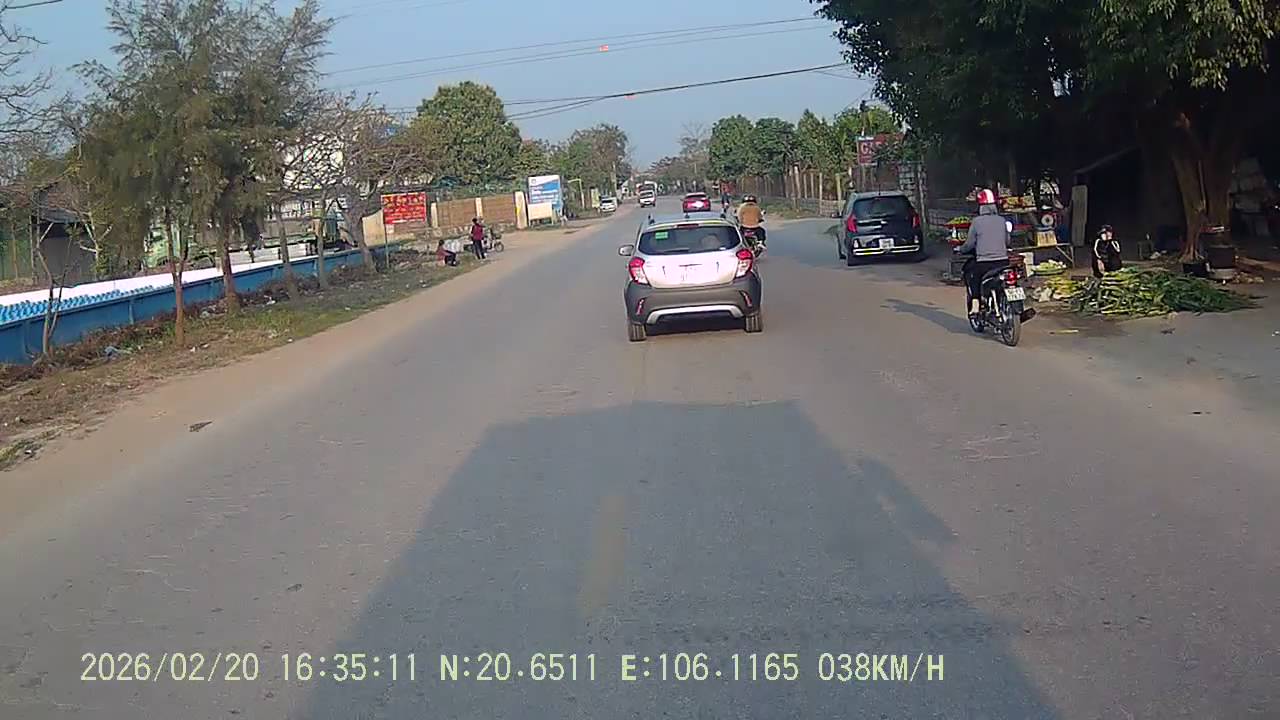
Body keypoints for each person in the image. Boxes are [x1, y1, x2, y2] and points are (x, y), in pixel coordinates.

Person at [955, 188, 1011, 318]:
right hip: (1003, 262)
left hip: (984, 263)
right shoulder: (1002, 220)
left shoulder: (976, 222)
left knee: (973, 277)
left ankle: (976, 305)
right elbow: (1007, 241)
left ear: (981, 206)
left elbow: (969, 244)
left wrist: (960, 249)